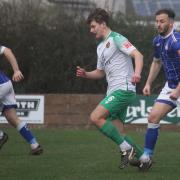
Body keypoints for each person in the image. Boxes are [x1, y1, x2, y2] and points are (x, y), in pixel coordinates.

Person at [76, 8, 144, 168]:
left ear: (103, 24)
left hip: (124, 89)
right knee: (119, 133)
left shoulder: (117, 38)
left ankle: (126, 150)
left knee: (95, 117)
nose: (91, 30)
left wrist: (137, 73)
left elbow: (138, 55)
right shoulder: (100, 47)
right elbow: (100, 72)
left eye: (93, 26)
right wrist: (86, 74)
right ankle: (144, 159)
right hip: (113, 91)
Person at [136, 9, 180, 171]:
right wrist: (148, 83)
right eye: (157, 21)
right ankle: (147, 157)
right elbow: (156, 62)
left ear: (171, 23)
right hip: (171, 86)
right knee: (153, 117)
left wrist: (178, 91)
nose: (158, 24)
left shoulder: (177, 40)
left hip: (178, 87)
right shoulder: (157, 41)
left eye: (162, 21)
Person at [0, 45, 43, 155]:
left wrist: (17, 70)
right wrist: (16, 70)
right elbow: (7, 50)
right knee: (12, 118)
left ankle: (1, 136)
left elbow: (7, 51)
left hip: (1, 85)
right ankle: (34, 145)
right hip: (6, 84)